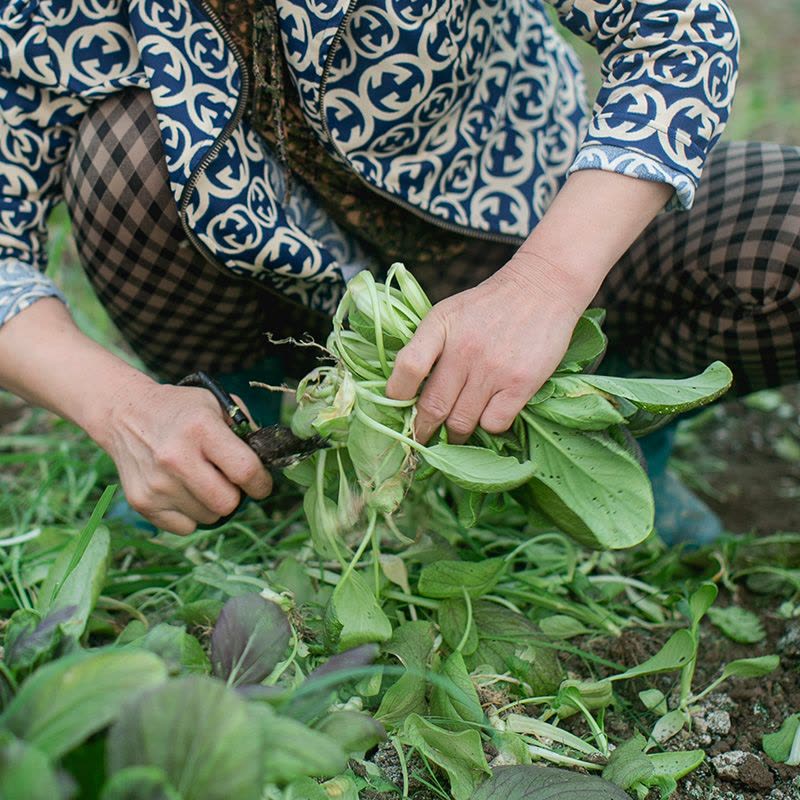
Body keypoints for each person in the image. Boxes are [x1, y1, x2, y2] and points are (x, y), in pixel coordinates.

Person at [1, 1, 798, 540]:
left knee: (787, 232)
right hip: (294, 300)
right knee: (123, 152)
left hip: (526, 229)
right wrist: (123, 409)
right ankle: (244, 440)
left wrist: (546, 282)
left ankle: (593, 424)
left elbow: (679, 31)